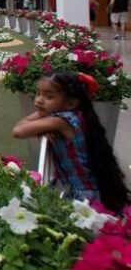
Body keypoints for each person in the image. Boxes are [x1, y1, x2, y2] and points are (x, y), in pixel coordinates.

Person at [12, 71, 130, 213]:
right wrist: (43, 124)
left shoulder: (61, 120)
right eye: (38, 94)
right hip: (85, 191)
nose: (39, 100)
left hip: (84, 199)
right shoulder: (76, 116)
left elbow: (18, 131)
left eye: (49, 96)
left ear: (71, 103)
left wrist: (41, 115)